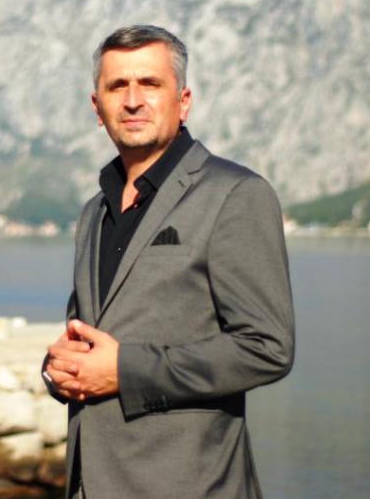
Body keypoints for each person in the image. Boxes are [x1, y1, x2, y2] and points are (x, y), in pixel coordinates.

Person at [42, 24, 295, 498]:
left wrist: (126, 370)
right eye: (118, 86)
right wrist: (56, 369)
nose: (133, 100)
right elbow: (91, 336)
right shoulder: (94, 213)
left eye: (150, 84)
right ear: (97, 107)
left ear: (184, 101)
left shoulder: (236, 195)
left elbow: (267, 348)